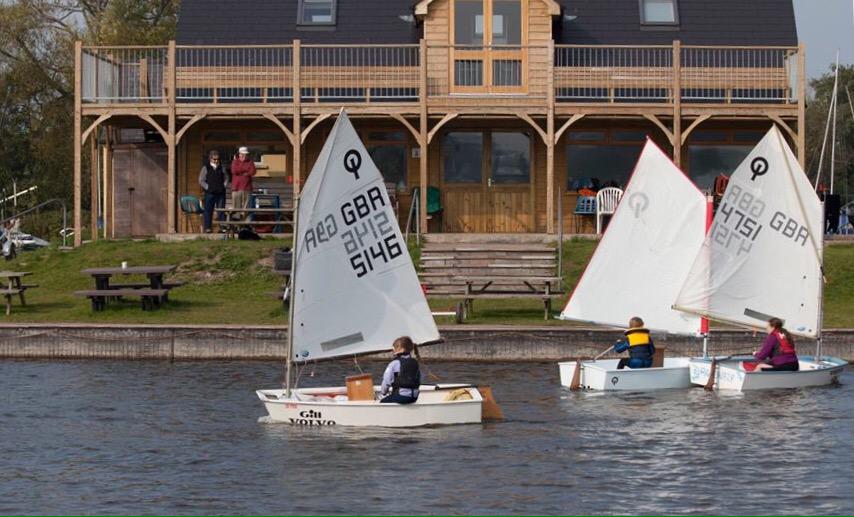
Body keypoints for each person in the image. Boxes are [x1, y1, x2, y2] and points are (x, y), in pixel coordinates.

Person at [379, 336, 421, 404]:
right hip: (414, 397)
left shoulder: (394, 363)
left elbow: (386, 382)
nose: (393, 350)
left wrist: (383, 393)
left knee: (382, 402)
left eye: (394, 347)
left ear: (401, 349)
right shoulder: (415, 362)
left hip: (401, 396)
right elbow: (418, 378)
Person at [230, 146, 256, 221]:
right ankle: (237, 225)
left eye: (246, 154)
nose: (244, 156)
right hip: (236, 188)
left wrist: (242, 172)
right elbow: (234, 171)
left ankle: (246, 225)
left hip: (247, 188)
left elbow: (253, 172)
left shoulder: (250, 162)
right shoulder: (235, 162)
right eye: (243, 154)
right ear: (239, 154)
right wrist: (245, 171)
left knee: (247, 209)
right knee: (236, 209)